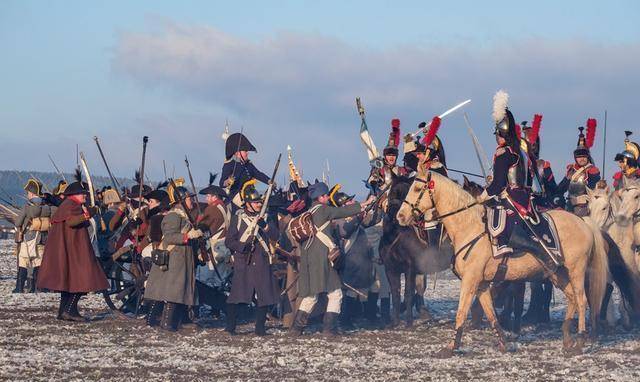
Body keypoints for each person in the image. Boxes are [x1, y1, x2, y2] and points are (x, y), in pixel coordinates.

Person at [289, 181, 364, 337]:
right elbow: (343, 212)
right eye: (326, 196)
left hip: (310, 259)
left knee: (311, 295)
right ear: (321, 197)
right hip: (323, 260)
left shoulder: (309, 212)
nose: (328, 198)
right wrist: (363, 205)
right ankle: (329, 329)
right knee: (336, 293)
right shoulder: (323, 210)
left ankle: (296, 329)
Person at [37, 174, 109, 321]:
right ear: (75, 194)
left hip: (71, 249)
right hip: (73, 250)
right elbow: (72, 222)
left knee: (69, 281)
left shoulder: (69, 205)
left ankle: (64, 311)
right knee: (84, 278)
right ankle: (69, 310)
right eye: (83, 194)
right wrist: (89, 214)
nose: (85, 196)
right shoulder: (71, 205)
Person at [478, 91, 533, 258]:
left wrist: (482, 196)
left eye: (498, 135)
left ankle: (500, 243)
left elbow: (499, 184)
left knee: (488, 209)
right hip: (524, 195)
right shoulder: (520, 152)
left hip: (512, 198)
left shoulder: (503, 152)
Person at [224, 179, 280, 336]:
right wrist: (243, 247)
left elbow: (276, 235)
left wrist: (266, 226)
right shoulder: (238, 218)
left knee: (264, 296)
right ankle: (230, 328)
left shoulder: (265, 217)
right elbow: (229, 241)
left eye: (259, 202)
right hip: (244, 261)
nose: (258, 205)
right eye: (255, 202)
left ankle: (260, 329)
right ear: (247, 203)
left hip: (261, 261)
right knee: (236, 297)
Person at [144, 183, 201, 331]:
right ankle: (166, 323)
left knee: (175, 291)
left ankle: (166, 321)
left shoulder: (182, 215)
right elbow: (169, 237)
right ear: (181, 200)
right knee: (173, 293)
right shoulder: (173, 216)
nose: (191, 201)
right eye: (188, 198)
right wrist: (188, 236)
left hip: (181, 258)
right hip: (174, 258)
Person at [13, 178, 56, 293]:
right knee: (38, 261)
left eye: (28, 192)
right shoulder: (47, 207)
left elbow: (18, 223)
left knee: (23, 260)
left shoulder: (27, 207)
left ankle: (19, 287)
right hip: (42, 238)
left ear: (31, 193)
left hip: (28, 238)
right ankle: (36, 287)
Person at [556, 120, 600, 217]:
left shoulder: (592, 171)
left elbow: (593, 190)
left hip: (586, 208)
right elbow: (560, 189)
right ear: (575, 158)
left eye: (584, 156)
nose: (582, 159)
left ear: (588, 157)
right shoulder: (571, 170)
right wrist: (567, 179)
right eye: (579, 157)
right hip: (569, 206)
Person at [220, 133, 270, 206]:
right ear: (237, 153)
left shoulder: (249, 164)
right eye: (245, 151)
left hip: (251, 194)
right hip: (236, 197)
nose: (247, 153)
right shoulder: (229, 165)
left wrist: (269, 181)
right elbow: (221, 183)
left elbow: (258, 174)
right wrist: (227, 182)